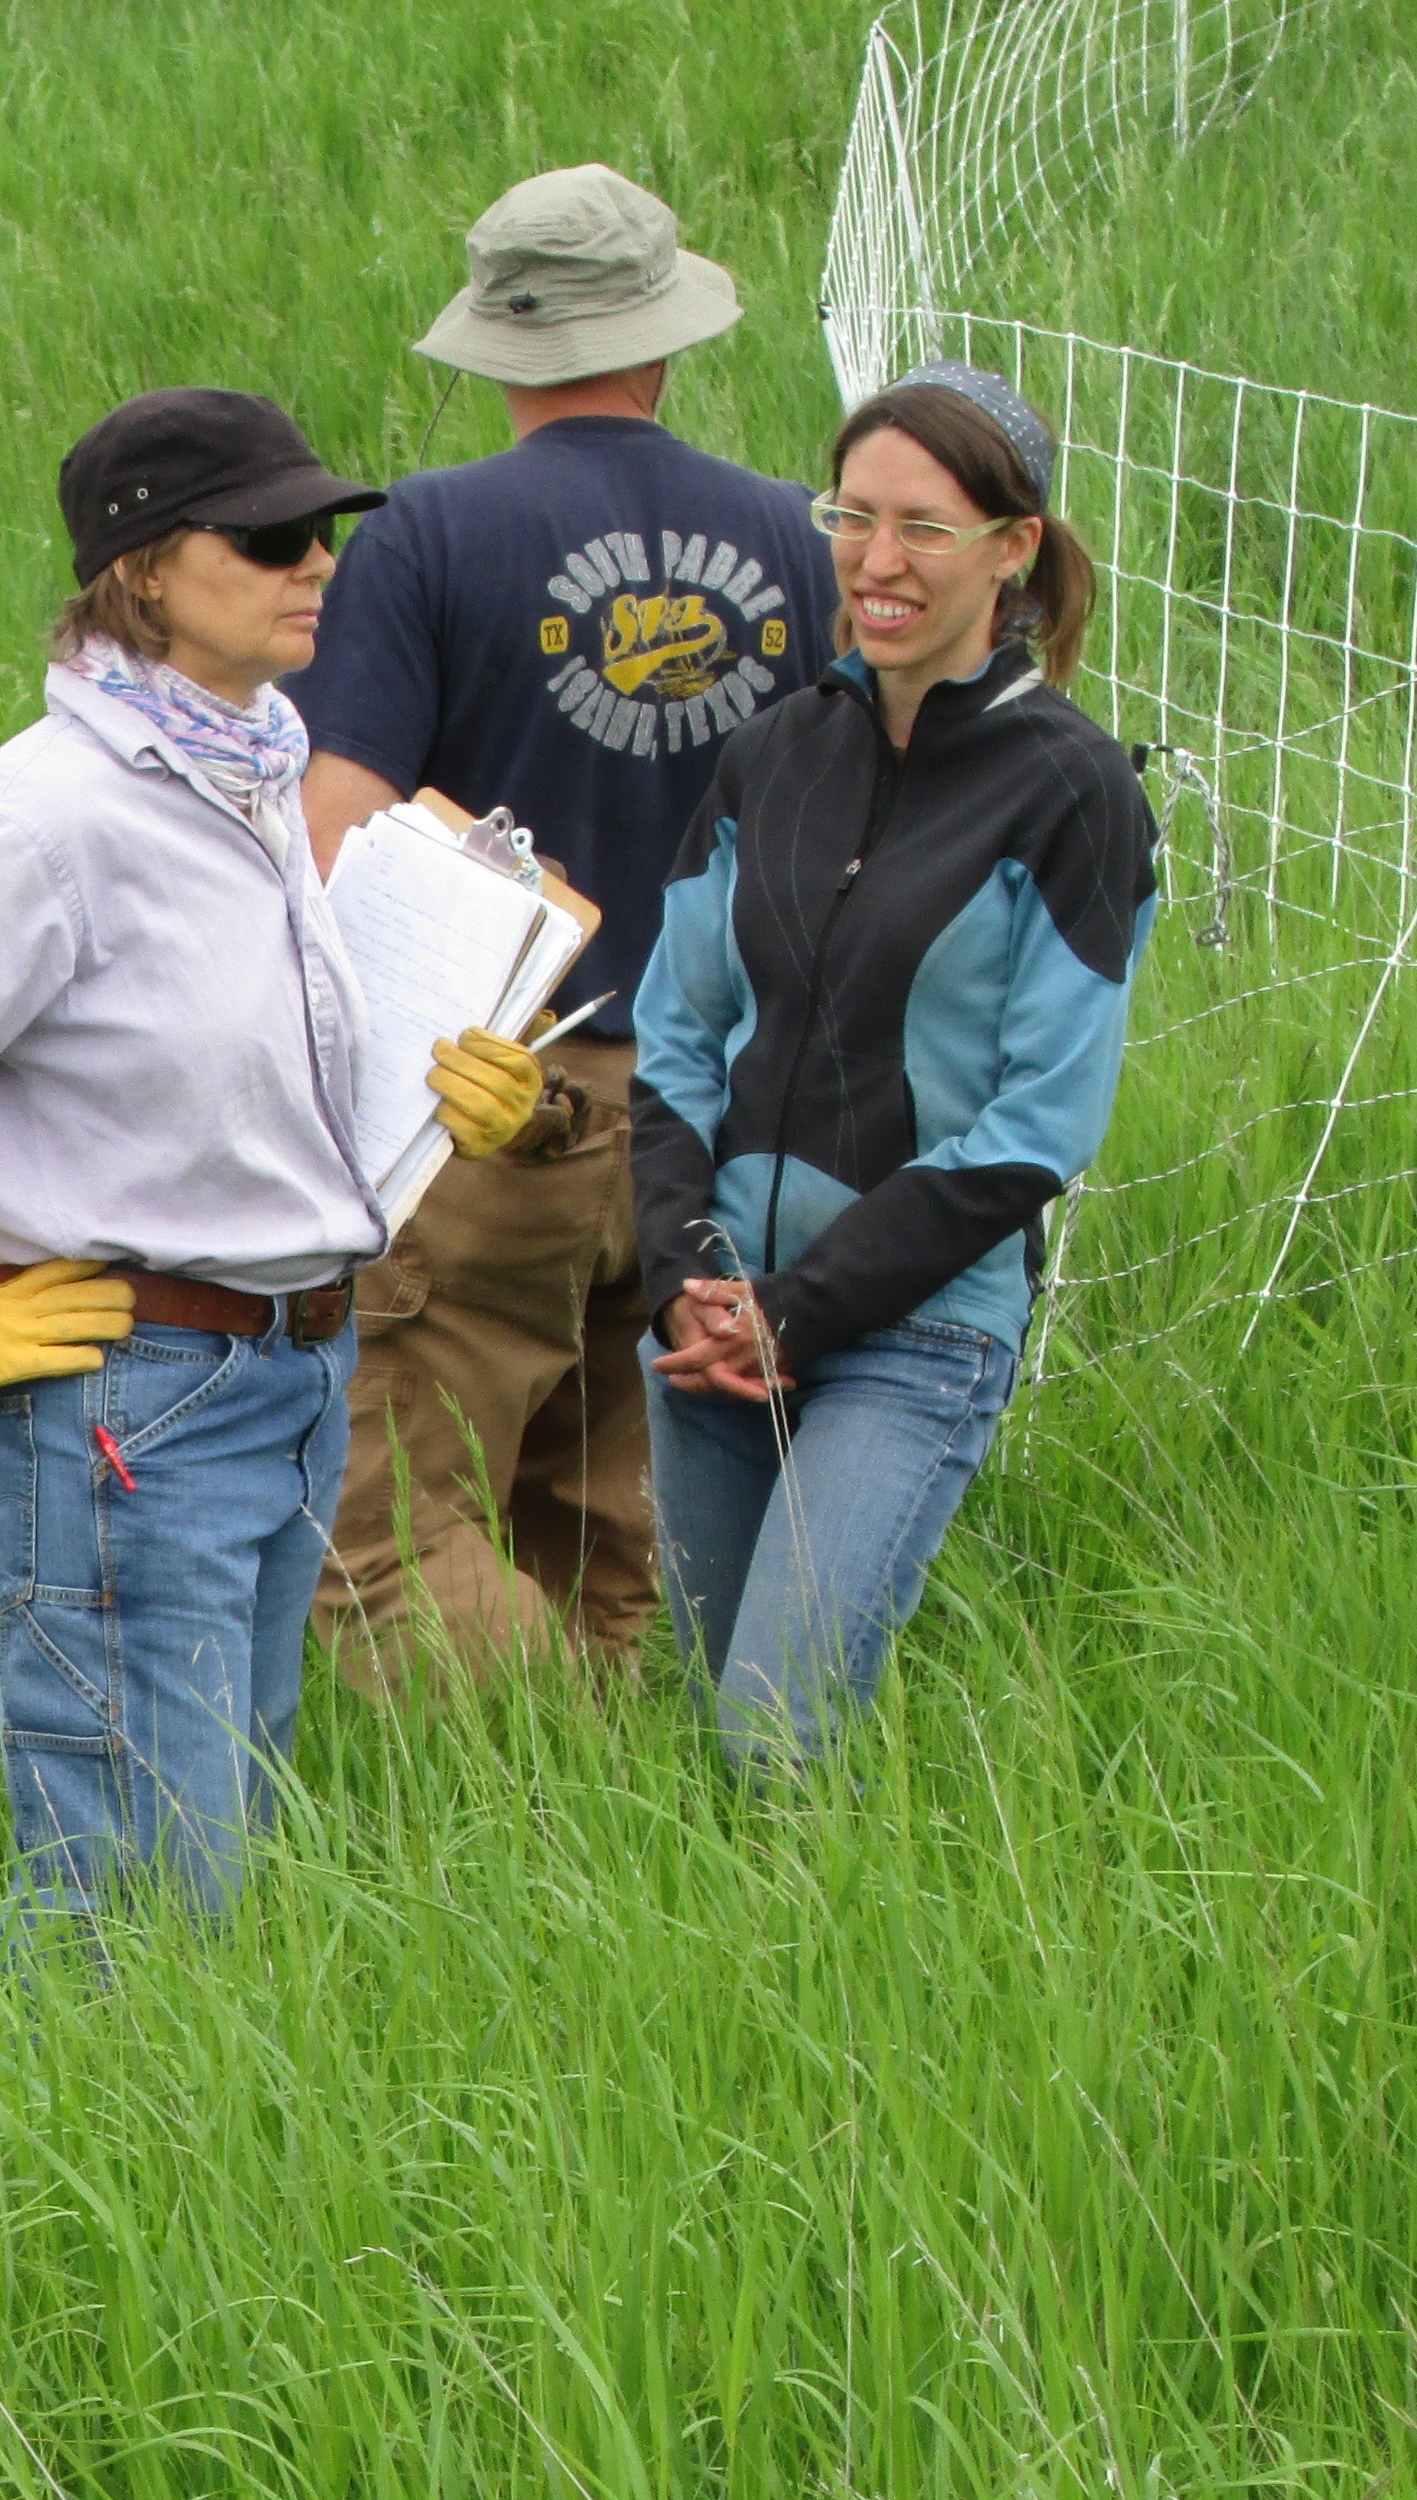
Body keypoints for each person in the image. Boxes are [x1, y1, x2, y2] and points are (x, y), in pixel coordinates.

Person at [0, 390, 546, 1952]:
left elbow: (200, 1081)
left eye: (327, 534)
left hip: (293, 1380)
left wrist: (442, 1106)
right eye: (271, 537)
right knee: (135, 1897)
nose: (317, 563)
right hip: (128, 1397)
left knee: (215, 1872)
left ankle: (149, 2177)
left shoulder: (252, 776)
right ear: (147, 573)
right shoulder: (45, 822)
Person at [290, 164, 840, 1693]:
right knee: (613, 1520)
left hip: (492, 1105)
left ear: (499, 343)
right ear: (666, 338)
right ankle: (649, 1822)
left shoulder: (422, 540)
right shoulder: (796, 543)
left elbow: (337, 834)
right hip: (720, 1104)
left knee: (380, 1530)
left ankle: (552, 1798)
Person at [628, 363, 1155, 1775]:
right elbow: (672, 1037)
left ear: (1015, 548)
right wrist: (685, 1275)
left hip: (914, 1331)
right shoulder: (768, 757)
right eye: (851, 517)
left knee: (774, 1735)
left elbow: (1041, 1123)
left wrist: (802, 1310)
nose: (877, 561)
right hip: (711, 1315)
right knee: (702, 1727)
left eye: (924, 526)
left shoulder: (1075, 790)